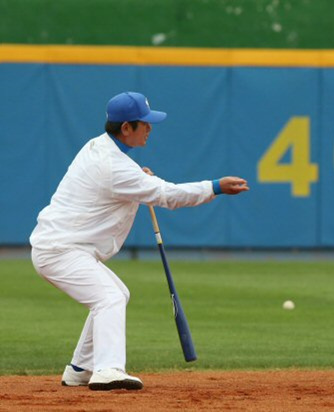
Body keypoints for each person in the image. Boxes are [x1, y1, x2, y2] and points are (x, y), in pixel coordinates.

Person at [30, 91, 249, 391]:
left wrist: (138, 178)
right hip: (60, 251)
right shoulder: (114, 166)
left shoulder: (101, 148)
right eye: (144, 123)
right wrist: (215, 187)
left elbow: (121, 179)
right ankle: (107, 370)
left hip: (62, 246)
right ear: (126, 129)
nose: (150, 128)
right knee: (109, 297)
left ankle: (80, 368)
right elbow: (167, 195)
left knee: (117, 292)